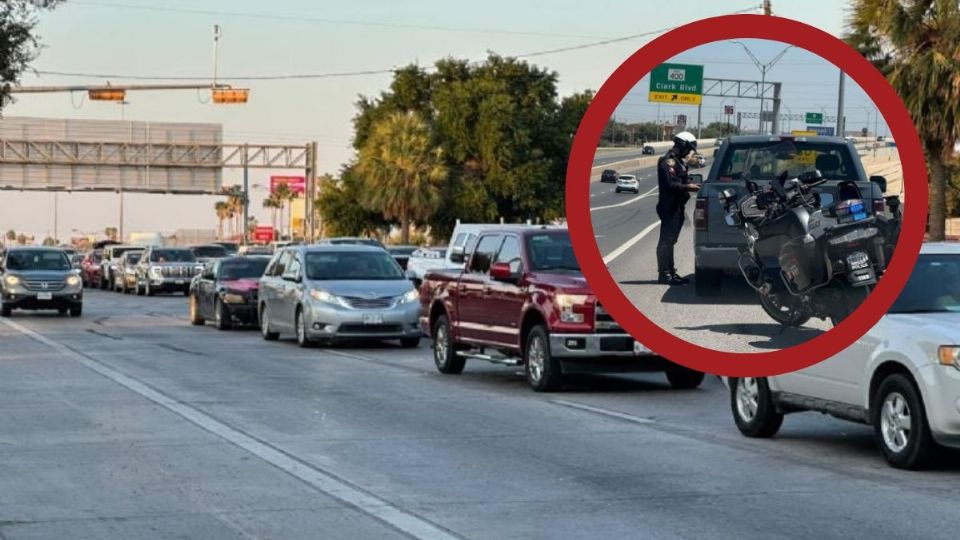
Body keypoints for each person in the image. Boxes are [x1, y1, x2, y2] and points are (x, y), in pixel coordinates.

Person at [656, 131, 701, 285]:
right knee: (666, 240)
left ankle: (671, 271)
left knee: (671, 240)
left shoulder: (678, 161)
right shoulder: (668, 161)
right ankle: (664, 274)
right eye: (688, 148)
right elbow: (670, 184)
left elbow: (680, 180)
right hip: (669, 206)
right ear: (682, 144)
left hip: (677, 205)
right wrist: (687, 186)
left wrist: (689, 185)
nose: (689, 152)